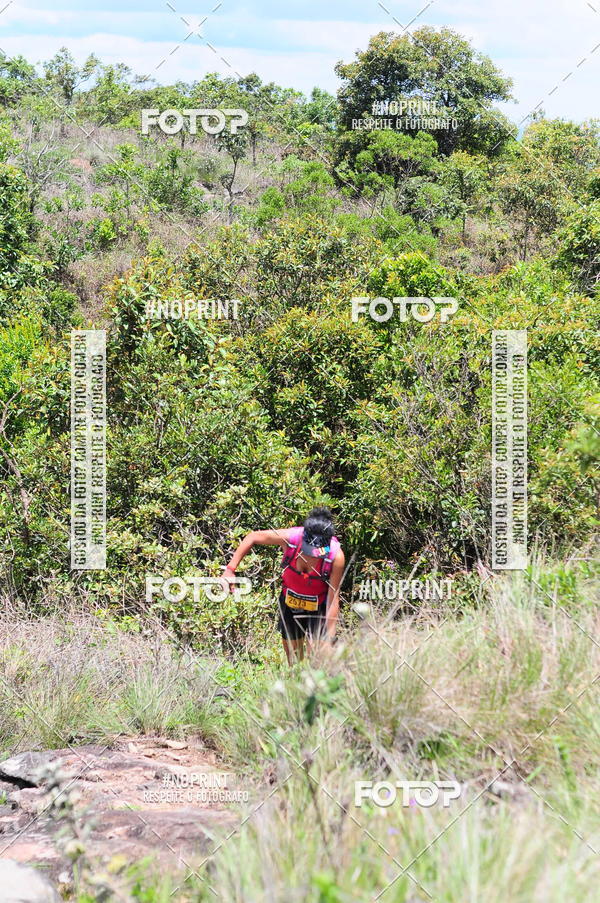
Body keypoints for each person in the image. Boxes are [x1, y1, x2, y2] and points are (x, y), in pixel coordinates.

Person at [223, 507, 345, 664]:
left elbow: (333, 598)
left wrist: (330, 636)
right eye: (308, 549)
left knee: (318, 657)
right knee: (294, 659)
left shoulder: (336, 557)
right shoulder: (291, 538)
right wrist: (230, 569)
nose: (312, 554)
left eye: (318, 550)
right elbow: (253, 537)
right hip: (290, 603)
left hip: (319, 606)